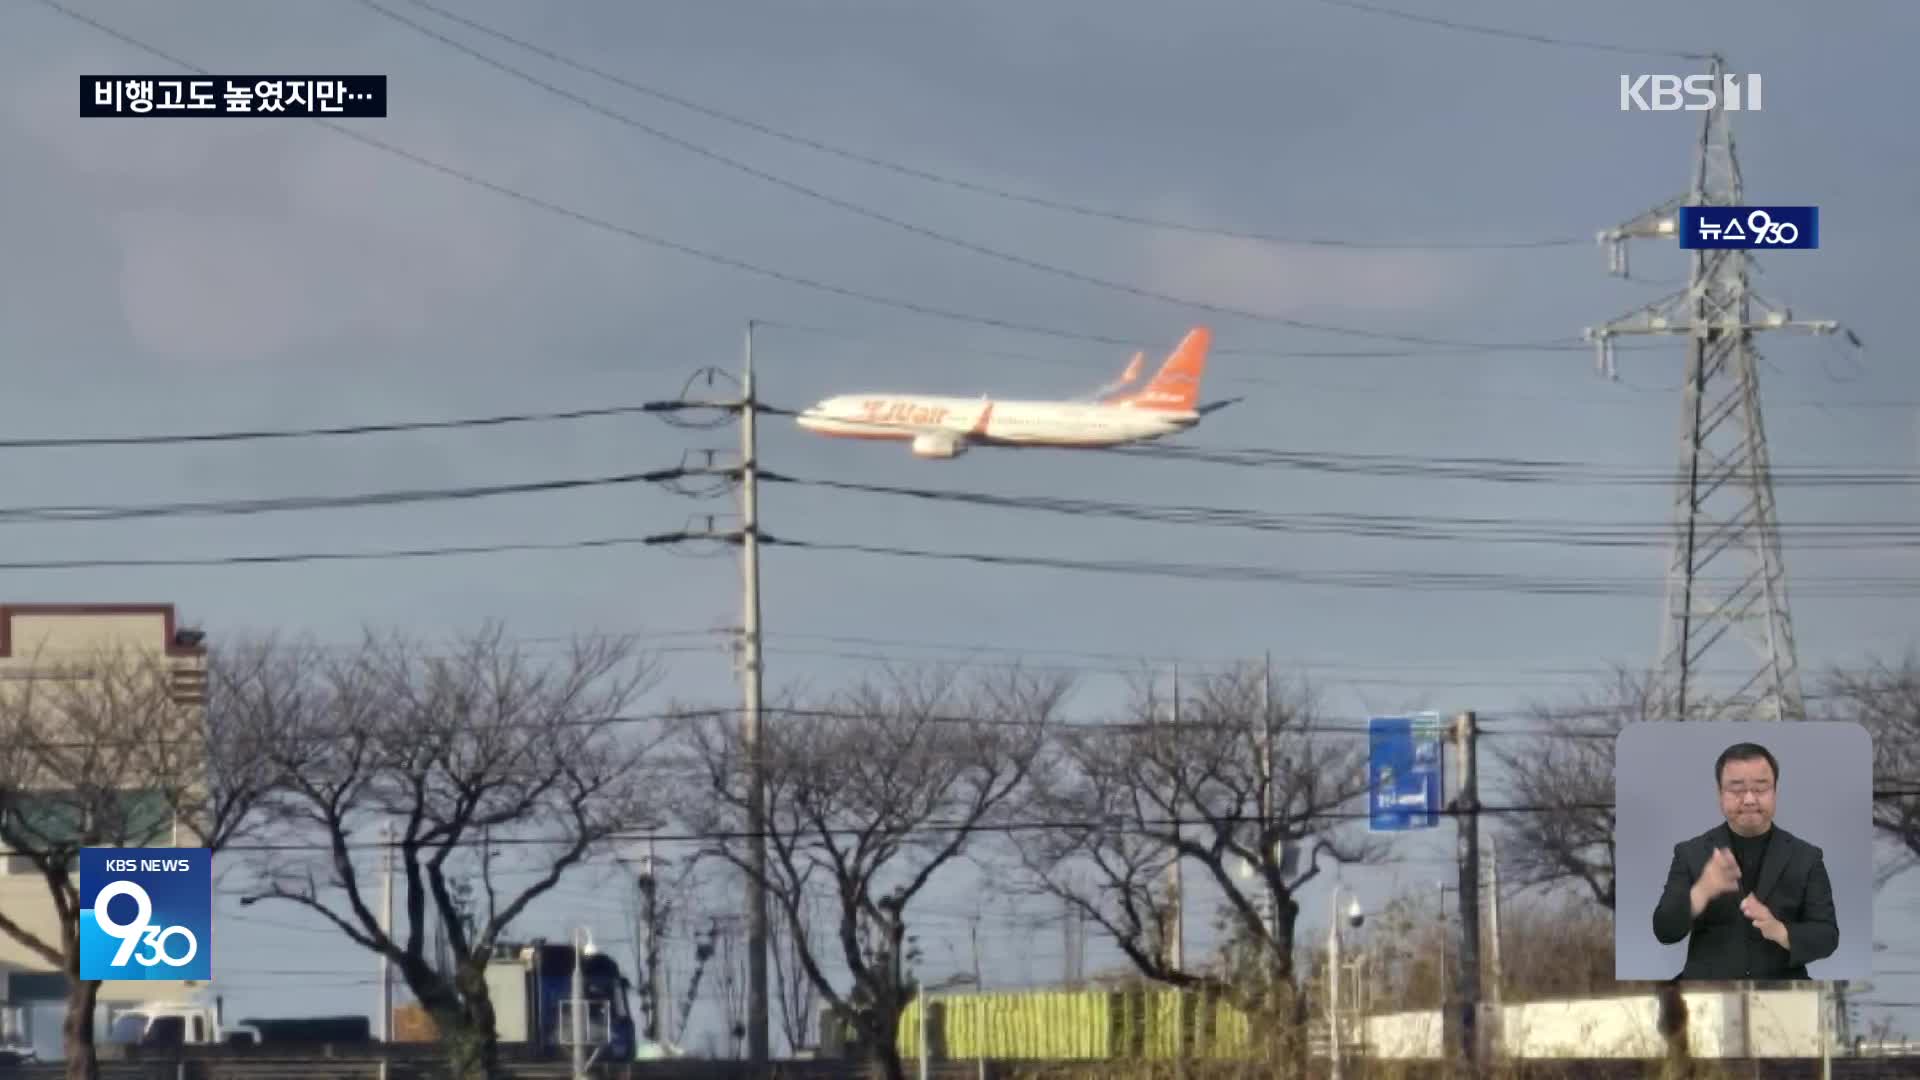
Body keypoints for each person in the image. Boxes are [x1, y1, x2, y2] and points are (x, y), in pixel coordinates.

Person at [1651, 741, 1838, 980]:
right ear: (1720, 794)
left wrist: (1780, 931)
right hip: (1706, 995)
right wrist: (1702, 890)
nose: (1749, 799)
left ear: (1775, 791)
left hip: (1783, 996)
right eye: (1736, 789)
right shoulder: (1690, 853)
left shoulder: (1807, 857)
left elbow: (1827, 935)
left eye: (1760, 789)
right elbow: (1664, 931)